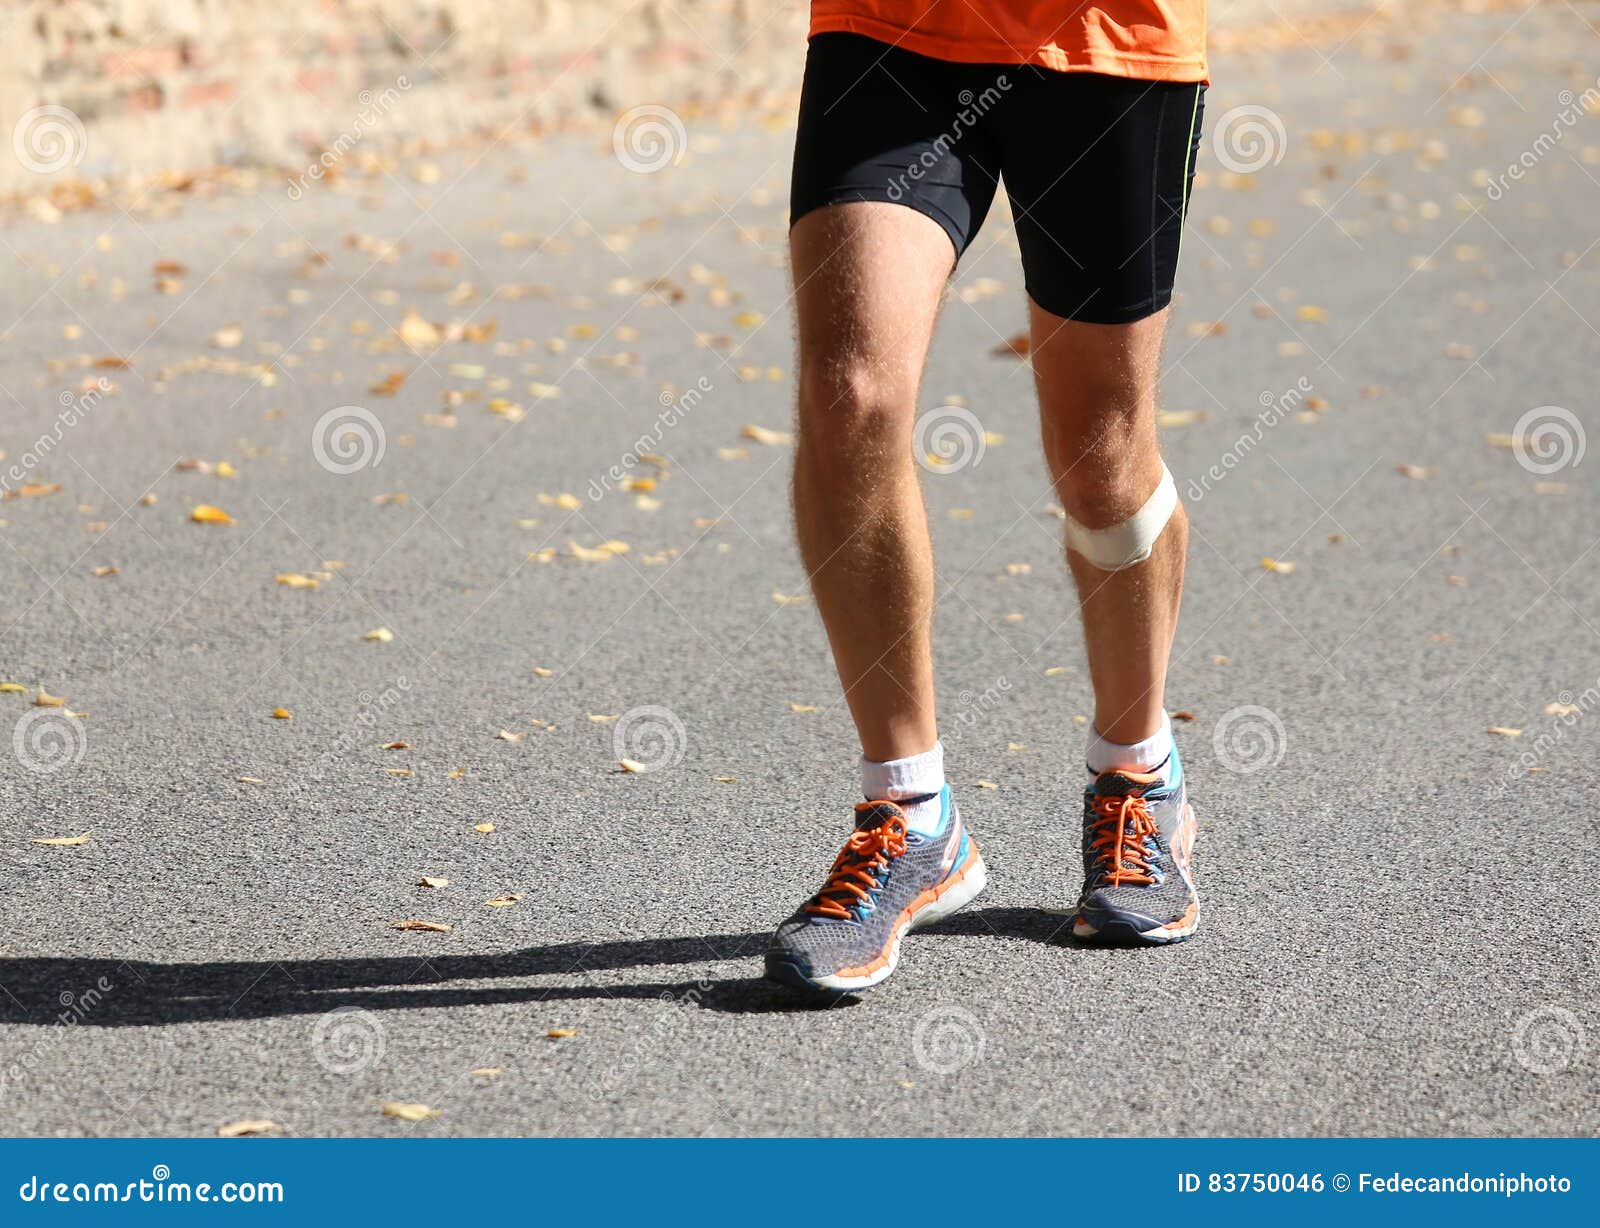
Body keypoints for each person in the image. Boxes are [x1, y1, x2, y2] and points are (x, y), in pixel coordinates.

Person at [764, 1, 1207, 992]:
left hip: (1109, 41)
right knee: (850, 393)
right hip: (893, 34)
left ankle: (1139, 768)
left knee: (1102, 452)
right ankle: (910, 812)